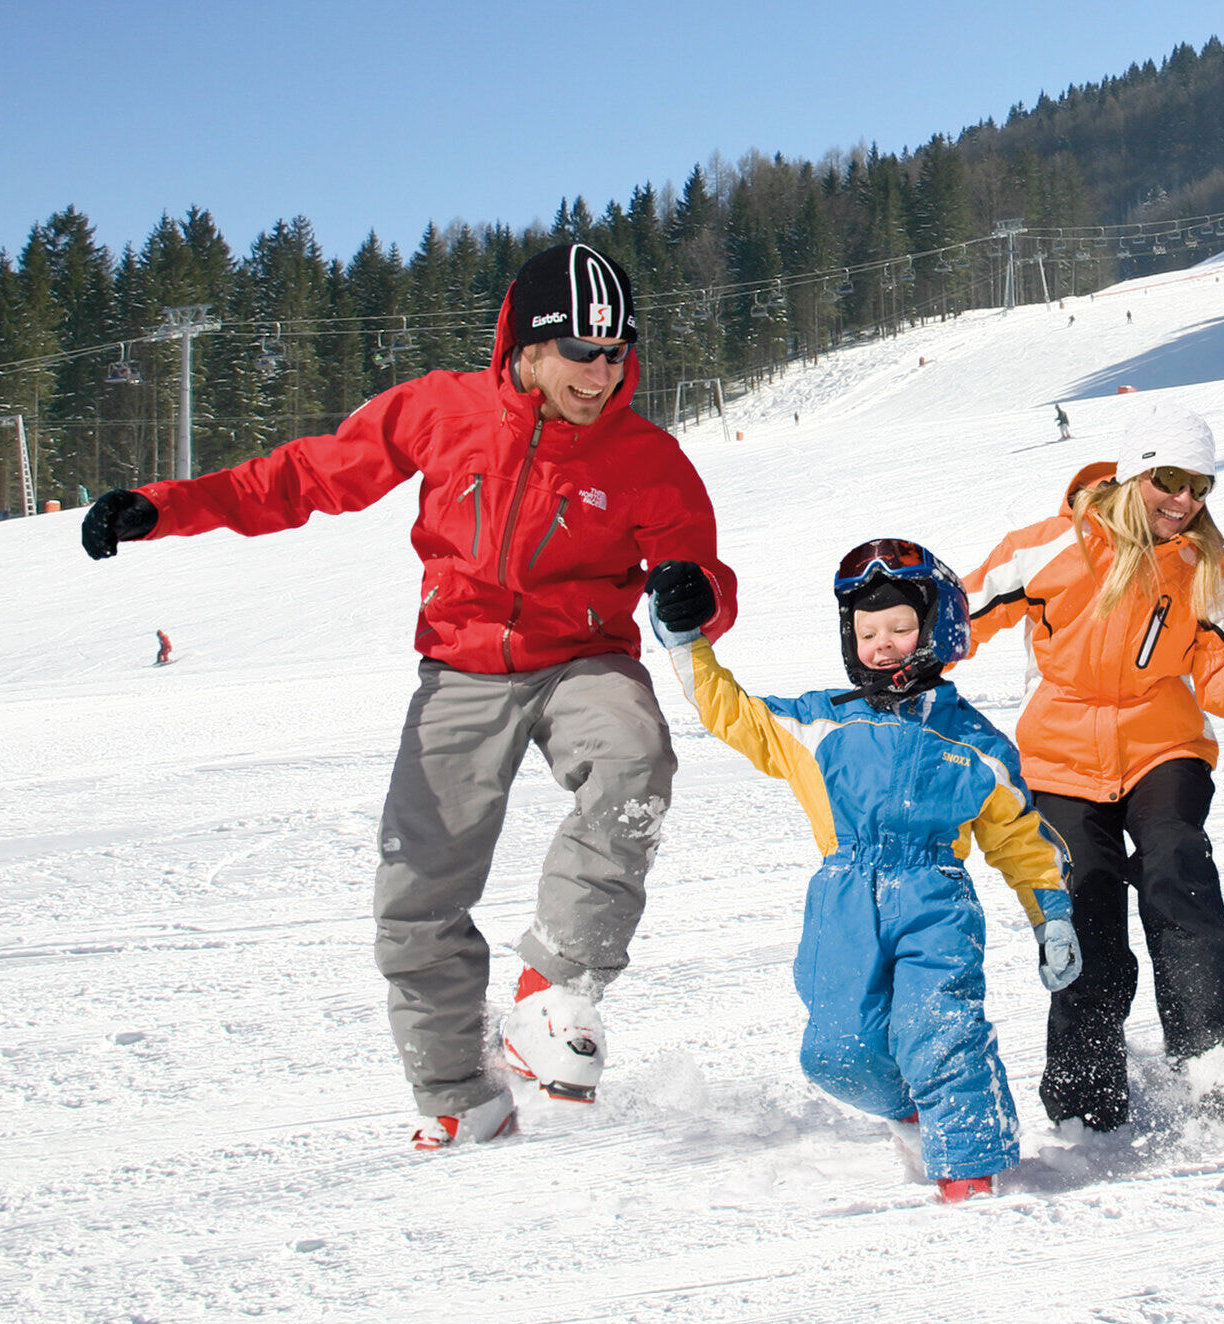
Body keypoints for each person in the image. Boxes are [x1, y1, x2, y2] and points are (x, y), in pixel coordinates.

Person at [79, 243, 738, 1150]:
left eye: (617, 351)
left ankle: (556, 992)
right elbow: (303, 476)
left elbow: (697, 566)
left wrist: (695, 590)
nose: (601, 372)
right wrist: (166, 505)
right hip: (462, 668)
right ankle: (459, 1100)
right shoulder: (442, 411)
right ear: (528, 346)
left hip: (582, 659)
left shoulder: (645, 457)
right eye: (582, 351)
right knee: (417, 891)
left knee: (634, 756)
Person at [645, 540, 1079, 1202]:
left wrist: (1052, 917)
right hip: (842, 900)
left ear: (940, 629)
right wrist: (685, 641)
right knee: (836, 1051)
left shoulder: (976, 745)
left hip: (934, 896)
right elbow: (732, 714)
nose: (882, 643)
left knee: (941, 1028)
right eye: (867, 630)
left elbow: (1020, 837)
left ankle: (973, 1171)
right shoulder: (820, 723)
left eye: (901, 627)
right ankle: (916, 1115)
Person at [962, 401, 1224, 1133]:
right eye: (1170, 479)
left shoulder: (1202, 566)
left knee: (1174, 859)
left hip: (1164, 744)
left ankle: (1215, 1051)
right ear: (1134, 474)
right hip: (1061, 755)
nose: (1184, 501)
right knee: (1084, 904)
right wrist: (893, 642)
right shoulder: (1047, 550)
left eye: (1200, 486)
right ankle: (1085, 1101)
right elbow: (955, 616)